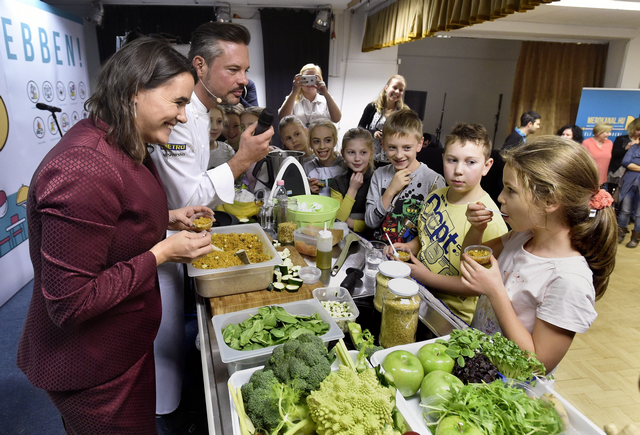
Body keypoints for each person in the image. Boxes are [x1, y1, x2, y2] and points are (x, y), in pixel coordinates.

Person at [16, 37, 215, 434]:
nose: (182, 116)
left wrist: (165, 218)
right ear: (133, 92)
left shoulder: (117, 139)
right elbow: (70, 302)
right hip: (91, 365)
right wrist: (160, 254)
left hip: (119, 348)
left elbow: (112, 221)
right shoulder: (84, 166)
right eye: (177, 102)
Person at [148, 22, 273, 422]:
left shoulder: (205, 113)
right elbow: (186, 195)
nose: (244, 80)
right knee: (163, 340)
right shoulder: (182, 118)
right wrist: (242, 160)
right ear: (199, 65)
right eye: (233, 69)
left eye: (245, 69)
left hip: (181, 230)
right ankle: (165, 414)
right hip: (162, 241)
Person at [461, 136, 617, 374]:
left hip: (510, 394)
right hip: (477, 367)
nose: (500, 197)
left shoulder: (569, 280)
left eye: (511, 190)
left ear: (549, 201)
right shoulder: (521, 237)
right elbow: (470, 258)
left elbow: (536, 365)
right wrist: (476, 229)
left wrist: (495, 291)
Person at [387, 124, 508, 323]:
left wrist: (426, 277)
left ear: (487, 166)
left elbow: (474, 285)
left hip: (451, 316)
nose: (458, 170)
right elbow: (426, 235)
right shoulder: (434, 196)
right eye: (452, 160)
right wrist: (409, 247)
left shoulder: (490, 220)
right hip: (418, 295)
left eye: (470, 162)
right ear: (443, 159)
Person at [365, 109, 446, 243]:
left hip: (410, 257)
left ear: (420, 144)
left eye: (407, 148)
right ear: (384, 145)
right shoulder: (379, 175)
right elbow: (370, 222)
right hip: (378, 250)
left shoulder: (434, 181)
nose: (399, 155)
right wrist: (390, 191)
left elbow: (435, 233)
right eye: (392, 148)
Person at [330, 127, 375, 234]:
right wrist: (352, 189)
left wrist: (351, 223)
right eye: (351, 152)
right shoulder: (337, 182)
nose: (357, 158)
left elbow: (377, 222)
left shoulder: (378, 179)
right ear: (343, 154)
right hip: (344, 236)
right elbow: (339, 219)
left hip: (372, 239)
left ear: (371, 154)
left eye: (363, 152)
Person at [358, 75, 409, 167]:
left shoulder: (404, 112)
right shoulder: (372, 107)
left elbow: (408, 135)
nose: (397, 91)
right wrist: (374, 133)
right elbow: (359, 129)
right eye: (394, 87)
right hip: (371, 159)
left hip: (393, 160)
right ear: (386, 88)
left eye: (401, 90)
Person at [304, 118, 346, 196]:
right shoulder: (306, 168)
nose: (322, 146)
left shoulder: (345, 167)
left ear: (335, 141)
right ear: (310, 144)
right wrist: (307, 190)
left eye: (327, 140)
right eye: (317, 141)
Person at [609, 118, 640, 198]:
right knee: (611, 194)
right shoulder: (621, 139)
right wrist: (626, 148)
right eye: (638, 130)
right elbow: (614, 154)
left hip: (633, 175)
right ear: (633, 128)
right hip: (617, 172)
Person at [616, 142, 640, 248]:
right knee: (625, 210)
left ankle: (635, 238)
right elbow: (626, 162)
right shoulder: (634, 147)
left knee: (639, 214)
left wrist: (634, 166)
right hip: (629, 185)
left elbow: (631, 164)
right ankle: (620, 233)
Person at [582, 122, 613, 187]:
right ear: (599, 132)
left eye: (610, 132)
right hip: (589, 180)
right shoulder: (587, 143)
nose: (609, 134)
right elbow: (582, 161)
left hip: (603, 181)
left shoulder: (609, 143)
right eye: (607, 132)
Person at [208, 105, 235, 169]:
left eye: (219, 121)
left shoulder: (228, 150)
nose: (215, 127)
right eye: (209, 121)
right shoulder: (191, 150)